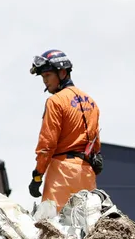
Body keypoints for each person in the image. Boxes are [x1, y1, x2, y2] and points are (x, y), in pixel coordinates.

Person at [29, 49, 101, 209]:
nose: (45, 81)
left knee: (52, 226)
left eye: (47, 75)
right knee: (87, 227)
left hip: (61, 173)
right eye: (42, 77)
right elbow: (96, 146)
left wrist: (37, 176)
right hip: (86, 172)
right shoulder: (92, 102)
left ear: (62, 73)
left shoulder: (55, 101)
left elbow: (47, 145)